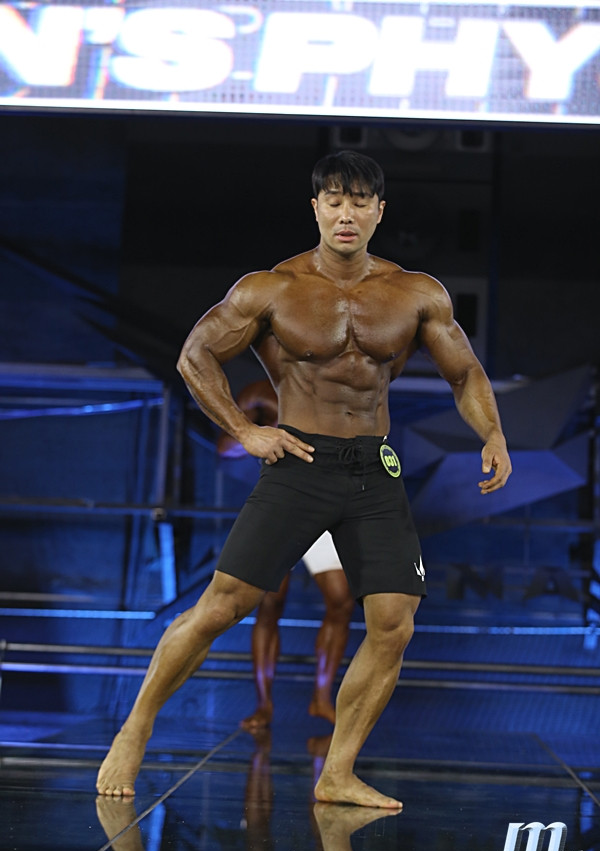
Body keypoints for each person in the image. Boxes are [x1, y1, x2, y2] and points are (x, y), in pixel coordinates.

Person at [97, 150, 511, 807]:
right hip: (299, 463)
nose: (346, 214)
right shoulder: (272, 289)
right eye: (334, 201)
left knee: (394, 622)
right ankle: (136, 727)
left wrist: (492, 433)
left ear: (379, 211)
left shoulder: (416, 293)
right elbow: (195, 355)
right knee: (222, 606)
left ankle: (338, 772)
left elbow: (464, 373)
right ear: (316, 208)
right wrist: (245, 430)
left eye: (359, 202)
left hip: (373, 470)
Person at [218, 379, 354, 731]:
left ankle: (321, 698)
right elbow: (225, 448)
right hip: (281, 505)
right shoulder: (259, 391)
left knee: (341, 601)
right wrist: (257, 431)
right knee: (268, 604)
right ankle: (263, 705)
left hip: (324, 505)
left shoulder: (336, 382)